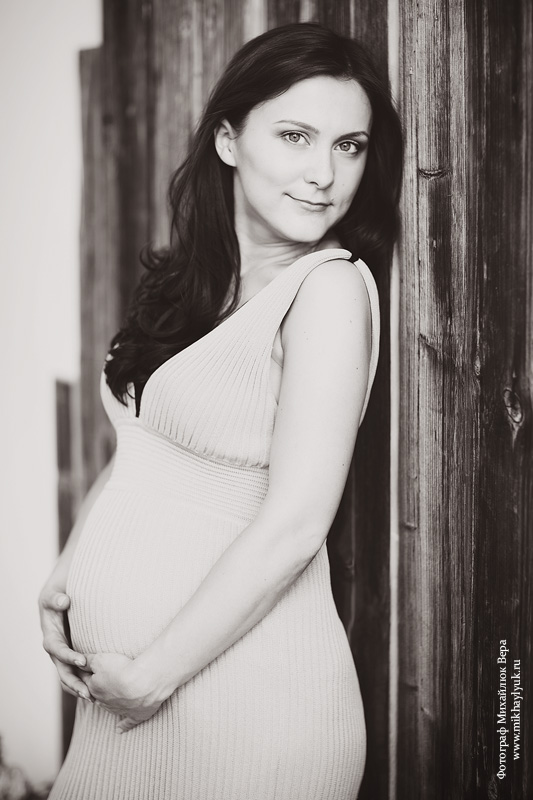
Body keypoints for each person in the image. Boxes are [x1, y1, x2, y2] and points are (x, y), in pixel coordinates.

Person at [40, 21, 403, 800]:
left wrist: (151, 677)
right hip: (132, 700)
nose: (324, 174)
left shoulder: (327, 291)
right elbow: (141, 453)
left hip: (242, 704)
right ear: (228, 140)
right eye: (296, 137)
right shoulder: (193, 285)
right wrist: (65, 578)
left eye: (348, 146)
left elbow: (295, 524)